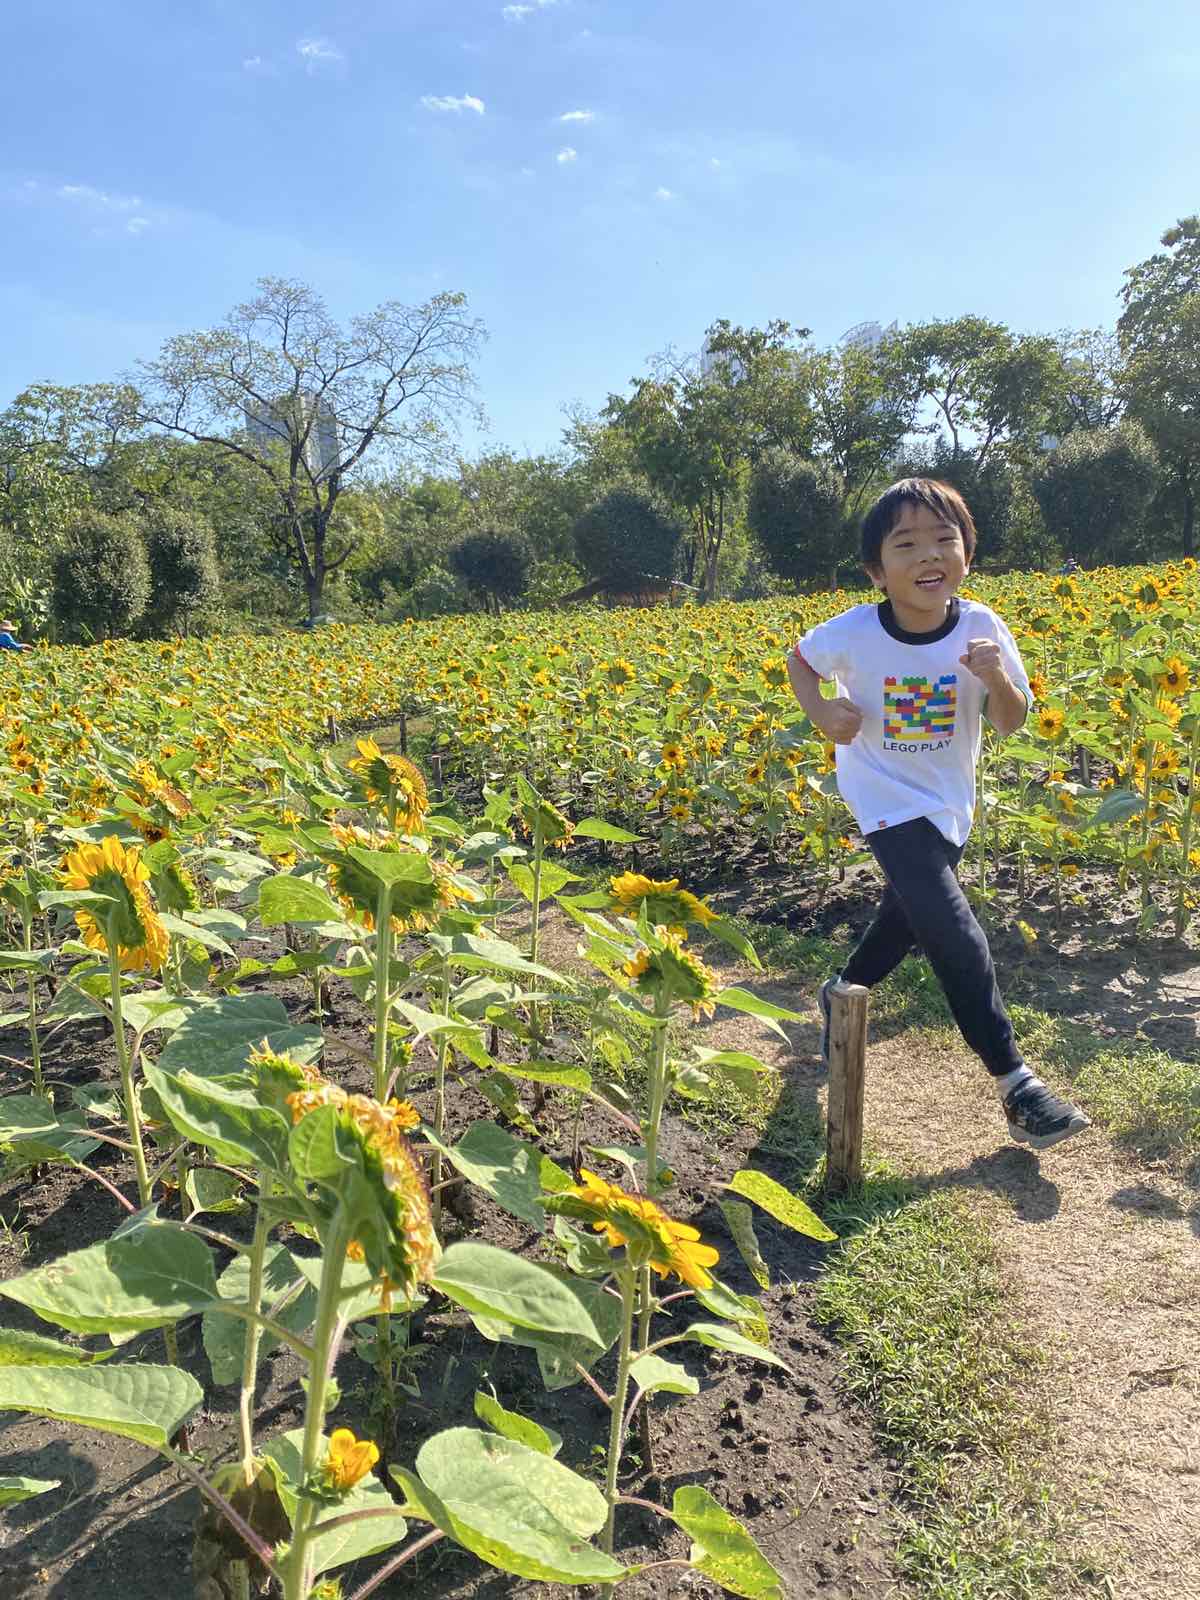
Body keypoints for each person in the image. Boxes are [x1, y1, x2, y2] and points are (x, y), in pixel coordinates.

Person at [787, 478, 1089, 1151]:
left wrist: (999, 679)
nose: (929, 556)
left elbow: (1011, 721)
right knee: (952, 929)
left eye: (944, 539)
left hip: (947, 802)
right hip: (882, 795)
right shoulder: (857, 632)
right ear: (877, 570)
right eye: (907, 543)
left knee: (908, 917)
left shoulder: (983, 626)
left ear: (967, 554)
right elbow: (800, 659)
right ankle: (1018, 1085)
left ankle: (843, 991)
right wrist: (821, 711)